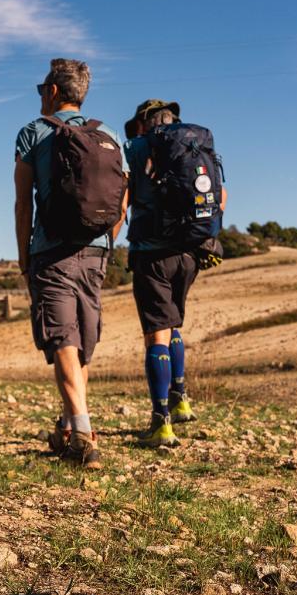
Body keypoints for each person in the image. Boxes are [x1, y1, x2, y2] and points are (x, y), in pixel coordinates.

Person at [13, 58, 128, 469]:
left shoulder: (34, 132)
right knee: (81, 339)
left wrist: (25, 256)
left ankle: (82, 434)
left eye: (42, 88)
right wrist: (108, 237)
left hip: (52, 250)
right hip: (97, 251)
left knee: (61, 338)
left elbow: (23, 200)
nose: (41, 95)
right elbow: (123, 194)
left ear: (55, 91)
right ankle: (67, 425)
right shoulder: (108, 133)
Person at [123, 99, 227, 447]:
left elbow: (122, 197)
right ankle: (181, 399)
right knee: (173, 326)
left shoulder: (136, 148)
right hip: (189, 255)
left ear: (143, 123)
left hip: (151, 254)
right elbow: (221, 197)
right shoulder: (197, 147)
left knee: (156, 334)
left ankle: (160, 422)